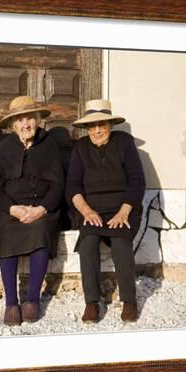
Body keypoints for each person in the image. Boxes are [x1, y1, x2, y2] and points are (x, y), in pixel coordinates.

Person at [66, 99, 145, 323]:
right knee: (88, 242)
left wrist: (124, 211)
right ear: (87, 128)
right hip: (92, 210)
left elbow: (137, 180)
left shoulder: (124, 143)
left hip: (123, 207)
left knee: (121, 241)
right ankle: (91, 302)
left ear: (110, 125)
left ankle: (129, 300)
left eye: (102, 124)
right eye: (93, 125)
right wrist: (86, 211)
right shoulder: (80, 148)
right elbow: (72, 186)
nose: (98, 130)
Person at [0, 96, 64, 326]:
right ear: (13, 125)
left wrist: (41, 209)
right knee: (5, 232)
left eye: (30, 119)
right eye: (20, 120)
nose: (26, 124)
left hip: (42, 208)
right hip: (12, 209)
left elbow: (58, 185)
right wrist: (12, 208)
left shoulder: (49, 145)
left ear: (38, 121)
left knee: (41, 231)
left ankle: (32, 299)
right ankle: (11, 302)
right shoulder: (4, 148)